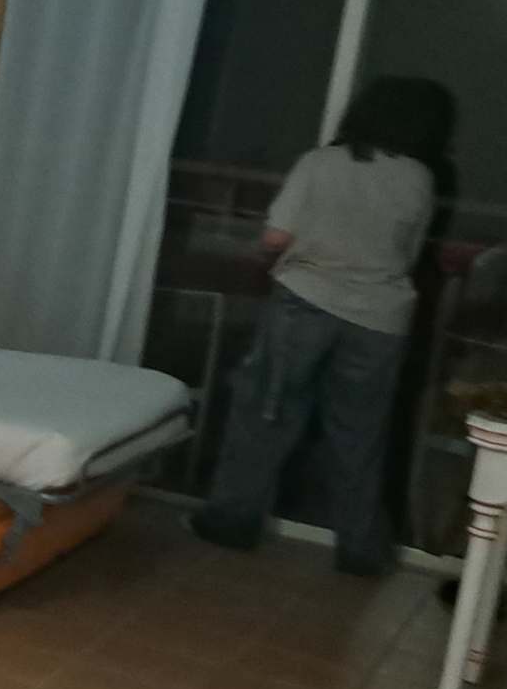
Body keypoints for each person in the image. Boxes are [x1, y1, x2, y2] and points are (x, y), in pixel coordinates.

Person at [194, 77, 454, 575]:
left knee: (266, 415)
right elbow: (408, 254)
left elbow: (276, 236)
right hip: (381, 317)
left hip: (306, 300)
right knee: (360, 435)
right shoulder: (420, 177)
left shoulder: (321, 163)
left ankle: (232, 520)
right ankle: (361, 549)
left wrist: (271, 255)